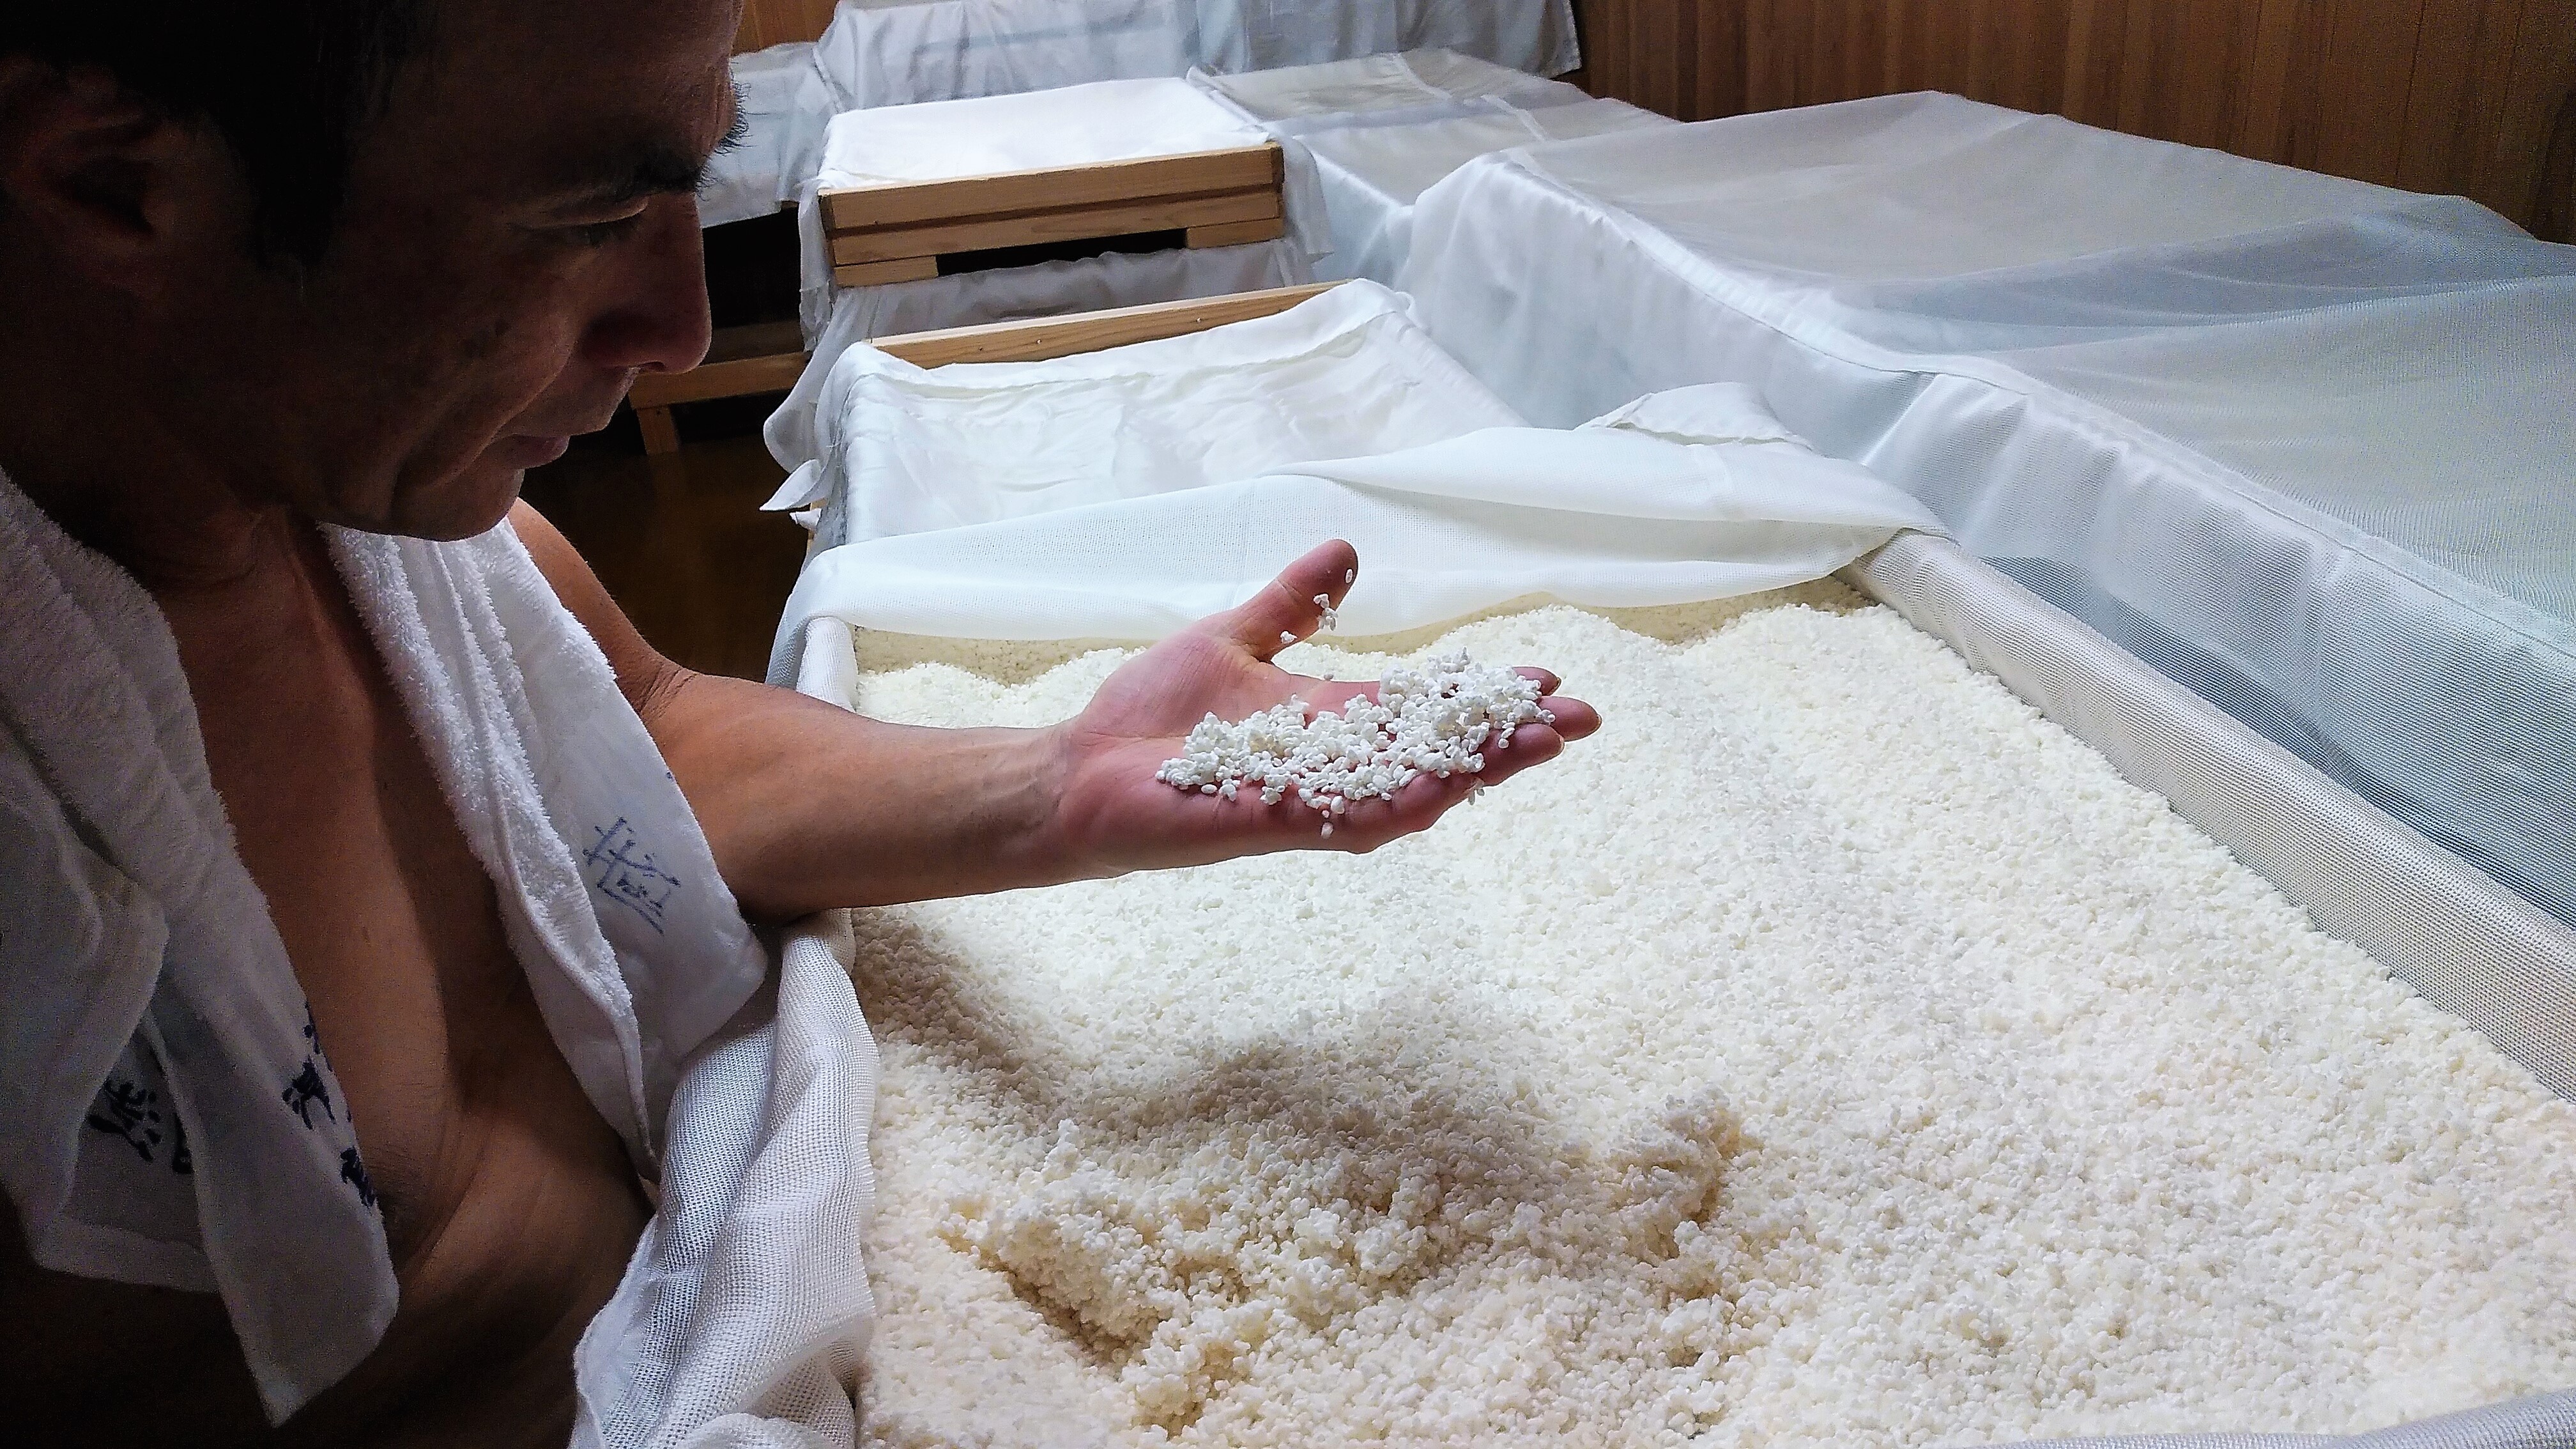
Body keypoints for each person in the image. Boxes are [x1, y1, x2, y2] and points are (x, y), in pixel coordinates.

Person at [0, 3, 1596, 1445]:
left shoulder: (379, 518)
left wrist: (1057, 777)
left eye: (692, 186)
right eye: (591, 215)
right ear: (118, 188)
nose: (682, 327)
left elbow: (645, 738)